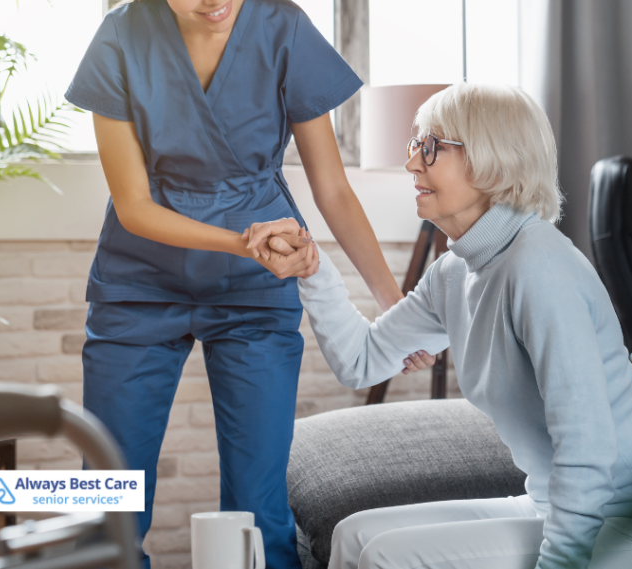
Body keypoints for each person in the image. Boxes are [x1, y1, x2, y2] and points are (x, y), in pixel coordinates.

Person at [248, 83, 632, 569]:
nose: (411, 164)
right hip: (550, 504)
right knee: (355, 536)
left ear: (492, 161)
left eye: (431, 148)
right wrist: (311, 269)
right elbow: (361, 361)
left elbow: (587, 451)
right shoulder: (454, 272)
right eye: (414, 146)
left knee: (385, 558)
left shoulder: (539, 267)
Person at [65, 1, 431, 567]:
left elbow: (331, 189)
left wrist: (393, 307)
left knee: (259, 507)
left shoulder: (282, 28)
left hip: (255, 287)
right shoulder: (120, 36)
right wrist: (242, 241)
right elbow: (134, 206)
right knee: (109, 498)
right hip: (140, 281)